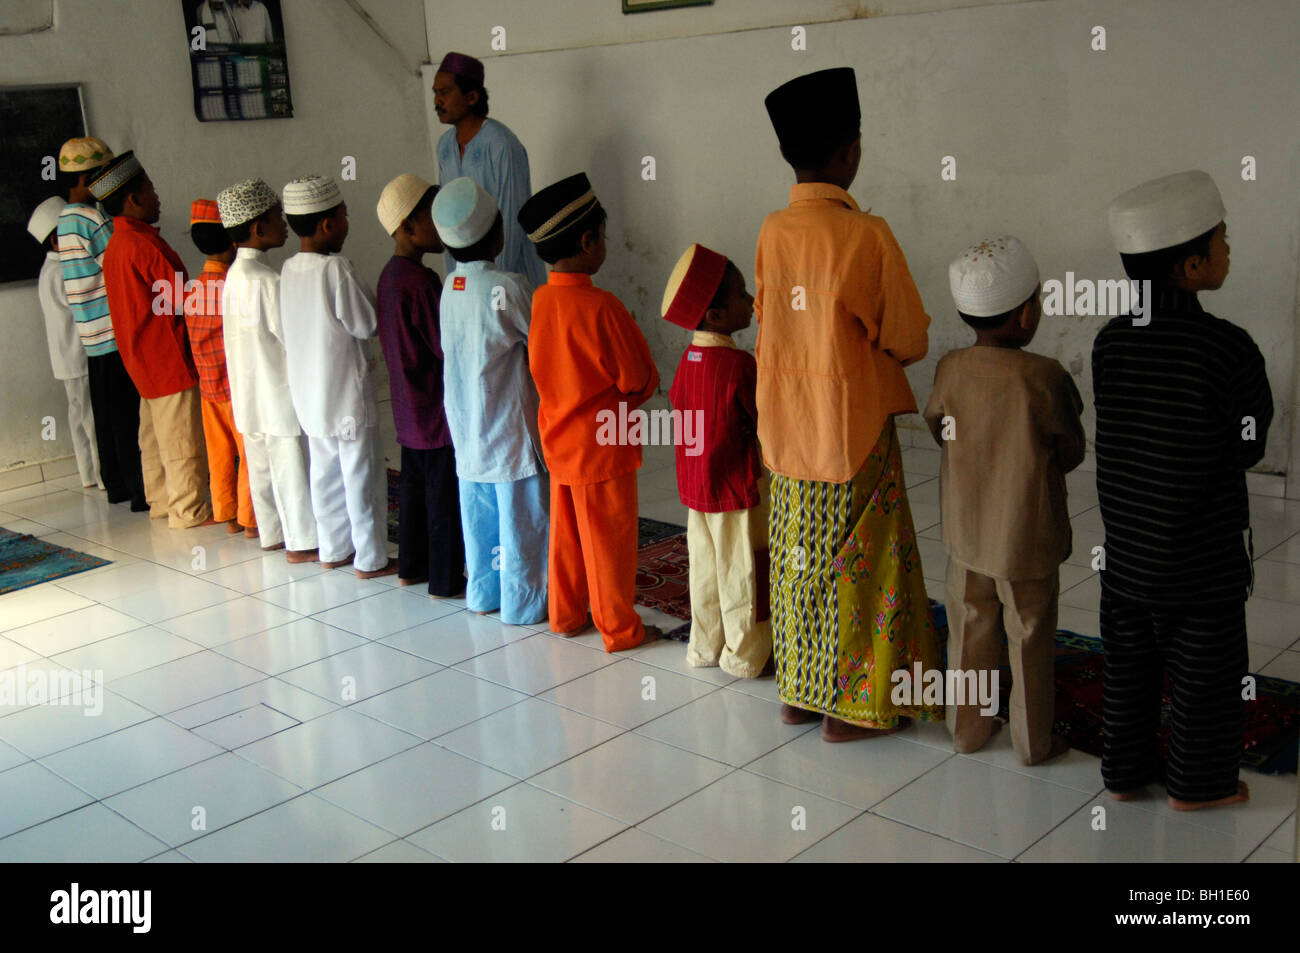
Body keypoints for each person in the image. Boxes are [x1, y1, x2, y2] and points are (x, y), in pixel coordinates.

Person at [757, 68, 940, 741]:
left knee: (798, 559)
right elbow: (911, 337)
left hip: (784, 431)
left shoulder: (773, 230)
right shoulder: (868, 235)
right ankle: (854, 707)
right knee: (862, 563)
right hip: (850, 431)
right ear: (847, 154)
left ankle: (798, 693)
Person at [1095, 170, 1272, 810]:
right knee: (1206, 677)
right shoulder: (1229, 349)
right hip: (1203, 566)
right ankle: (1198, 788)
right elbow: (1250, 441)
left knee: (1129, 671)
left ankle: (1123, 776)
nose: (1231, 250)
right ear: (1193, 266)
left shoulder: (1110, 342)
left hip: (1128, 558)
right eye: (1223, 241)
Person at [924, 236, 1083, 764]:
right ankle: (1032, 742)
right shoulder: (1044, 377)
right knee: (1030, 633)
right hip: (1025, 535)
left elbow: (937, 426)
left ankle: (967, 730)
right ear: (1027, 315)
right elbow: (1070, 449)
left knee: (970, 624)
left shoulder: (950, 367)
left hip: (966, 531)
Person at [520, 172, 661, 652]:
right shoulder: (602, 307)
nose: (605, 244)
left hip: (558, 441)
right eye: (602, 236)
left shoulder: (541, 300)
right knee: (608, 542)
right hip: (603, 446)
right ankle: (620, 629)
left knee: (567, 538)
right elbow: (638, 379)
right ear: (587, 241)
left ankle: (564, 615)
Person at [433, 176, 547, 623]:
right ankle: (523, 605)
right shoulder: (508, 287)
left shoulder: (450, 289)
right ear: (498, 233)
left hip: (466, 427)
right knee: (521, 522)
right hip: (508, 429)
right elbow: (539, 341)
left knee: (480, 522)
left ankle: (483, 594)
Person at [663, 243, 771, 678]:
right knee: (744, 570)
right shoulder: (739, 364)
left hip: (696, 489)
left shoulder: (687, 361)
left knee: (705, 569)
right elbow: (763, 418)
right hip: (735, 489)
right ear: (717, 316)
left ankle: (705, 645)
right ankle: (745, 656)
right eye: (743, 294)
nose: (751, 302)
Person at [279, 175, 394, 577]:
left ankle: (333, 549)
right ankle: (370, 558)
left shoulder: (289, 270)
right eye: (344, 217)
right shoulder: (337, 269)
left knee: (324, 475)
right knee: (361, 475)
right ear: (327, 224)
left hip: (310, 397)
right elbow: (366, 324)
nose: (348, 223)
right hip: (346, 396)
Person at [91, 152, 213, 529]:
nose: (158, 198)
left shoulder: (117, 246)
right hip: (168, 359)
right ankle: (189, 512)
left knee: (154, 439)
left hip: (141, 363)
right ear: (134, 199)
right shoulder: (144, 247)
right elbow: (182, 301)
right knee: (181, 442)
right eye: (152, 190)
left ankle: (161, 501)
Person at [374, 173, 466, 596]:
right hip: (435, 411)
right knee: (442, 498)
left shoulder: (390, 276)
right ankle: (446, 580)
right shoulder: (423, 282)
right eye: (433, 216)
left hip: (408, 412)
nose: (441, 224)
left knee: (412, 493)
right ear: (409, 227)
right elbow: (443, 347)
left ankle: (411, 566)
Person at [217, 178, 318, 560]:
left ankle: (272, 534)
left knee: (261, 469)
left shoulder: (233, 277)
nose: (285, 224)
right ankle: (303, 542)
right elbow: (290, 337)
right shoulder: (269, 280)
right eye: (278, 217)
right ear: (258, 229)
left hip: (248, 395)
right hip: (277, 396)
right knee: (291, 469)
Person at [55, 136, 146, 511]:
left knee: (106, 416)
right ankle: (139, 490)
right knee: (128, 416)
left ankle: (117, 486)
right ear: (89, 179)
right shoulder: (95, 219)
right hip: (113, 332)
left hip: (91, 337)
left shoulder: (63, 219)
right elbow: (119, 268)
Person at [434, 52, 546, 287]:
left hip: (509, 279)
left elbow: (513, 220)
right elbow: (449, 218)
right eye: (435, 93)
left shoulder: (502, 145)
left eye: (444, 93)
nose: (437, 101)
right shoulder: (444, 146)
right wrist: (457, 282)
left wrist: (496, 283)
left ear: (471, 97)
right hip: (465, 281)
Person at [185, 199, 255, 535]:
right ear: (233, 241)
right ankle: (251, 519)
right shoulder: (231, 288)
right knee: (249, 454)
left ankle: (227, 514)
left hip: (207, 389)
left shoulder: (193, 289)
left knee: (220, 455)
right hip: (233, 388)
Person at [27, 196, 100, 489]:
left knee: (79, 417)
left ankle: (87, 474)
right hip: (78, 355)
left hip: (66, 359)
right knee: (90, 419)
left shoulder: (48, 271)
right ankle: (101, 474)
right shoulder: (62, 271)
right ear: (57, 242)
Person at [196, 0, 275, 45]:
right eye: (216, 3)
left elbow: (269, 33)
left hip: (260, 49)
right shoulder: (234, 9)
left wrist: (271, 45)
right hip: (241, 51)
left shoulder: (261, 7)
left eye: (220, 3)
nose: (218, 5)